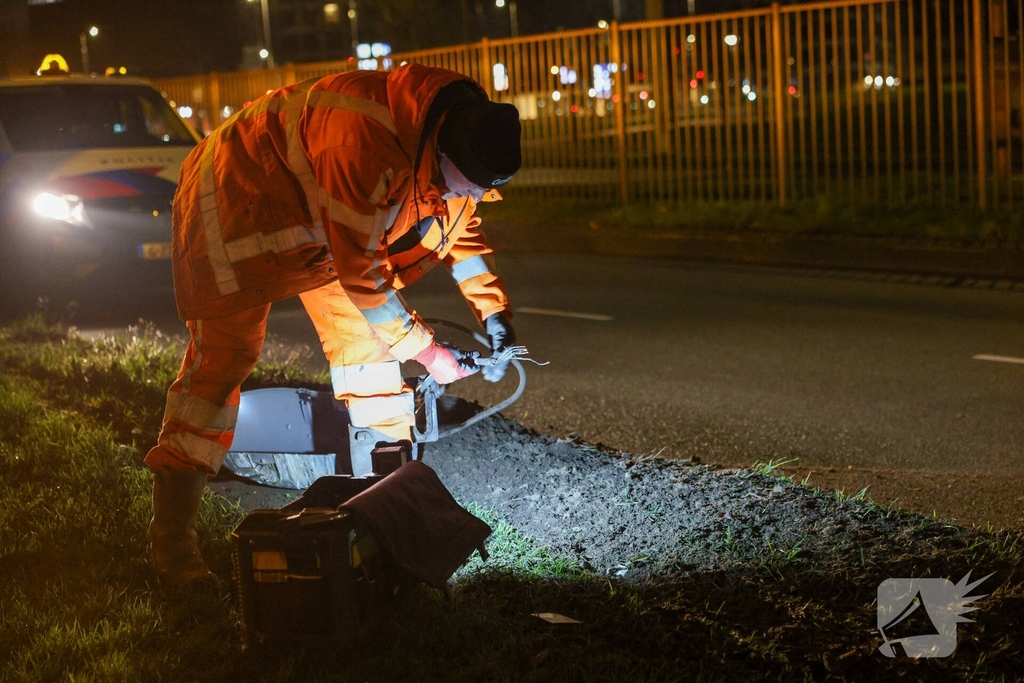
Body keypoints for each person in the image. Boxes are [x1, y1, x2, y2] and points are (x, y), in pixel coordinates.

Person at [145, 63, 522, 588]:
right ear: (442, 153)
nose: (475, 198)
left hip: (313, 223)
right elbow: (363, 274)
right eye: (470, 186)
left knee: (369, 352)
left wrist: (495, 312)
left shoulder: (452, 134)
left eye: (485, 190)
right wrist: (430, 352)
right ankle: (172, 548)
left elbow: (461, 230)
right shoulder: (363, 147)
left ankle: (381, 509)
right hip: (231, 207)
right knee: (220, 365)